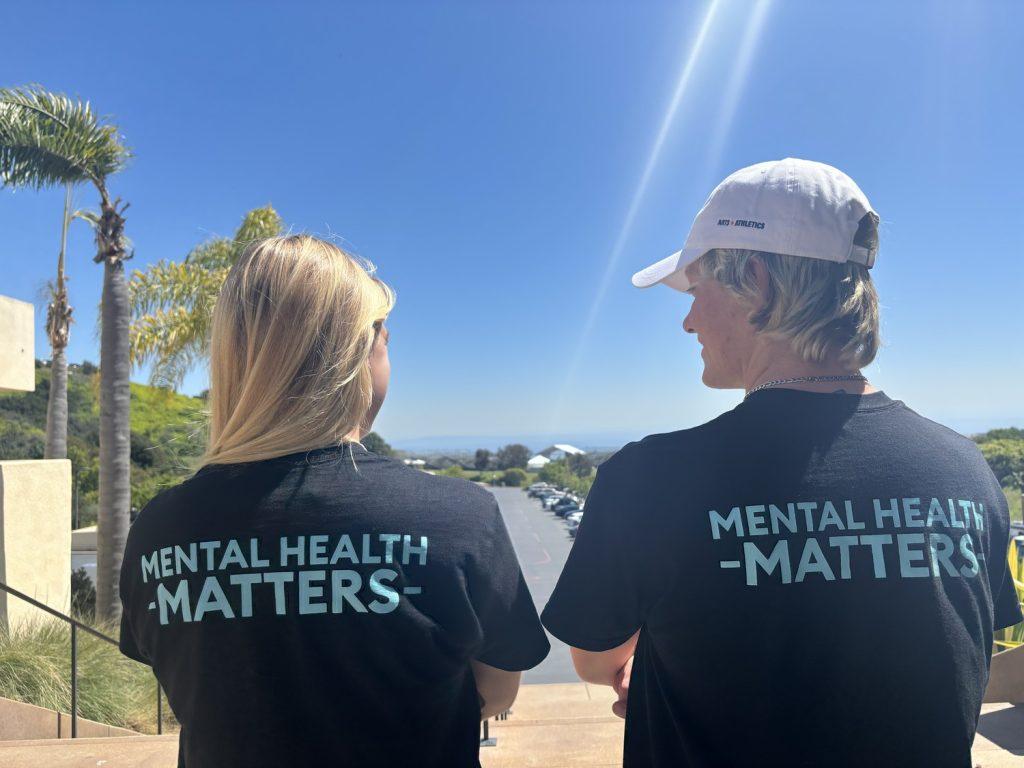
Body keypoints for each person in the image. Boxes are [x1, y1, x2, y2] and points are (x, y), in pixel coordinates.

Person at [541, 158, 1022, 767]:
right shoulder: (965, 470)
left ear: (757, 280)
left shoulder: (651, 478)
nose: (688, 320)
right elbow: (964, 657)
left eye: (696, 291)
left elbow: (598, 659)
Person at [118, 235, 549, 767]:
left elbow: (198, 686)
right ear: (363, 353)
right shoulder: (457, 515)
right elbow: (499, 692)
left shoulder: (161, 528)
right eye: (384, 338)